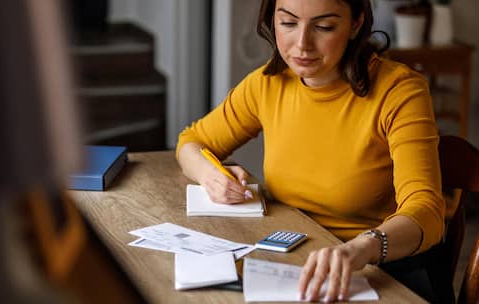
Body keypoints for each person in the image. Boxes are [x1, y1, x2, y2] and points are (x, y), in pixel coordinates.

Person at [176, 0, 449, 302]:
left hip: (384, 270)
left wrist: (362, 248)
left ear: (356, 24)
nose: (302, 44)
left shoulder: (399, 91)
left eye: (324, 27)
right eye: (288, 23)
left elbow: (427, 211)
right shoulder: (268, 85)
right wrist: (211, 174)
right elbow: (192, 141)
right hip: (296, 259)